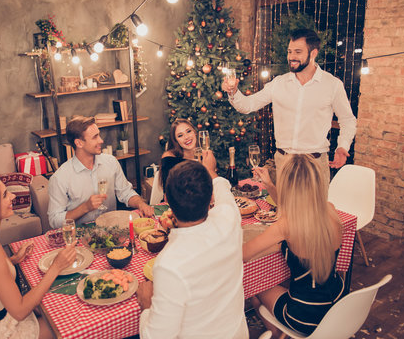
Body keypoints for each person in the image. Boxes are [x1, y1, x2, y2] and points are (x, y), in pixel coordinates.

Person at [222, 28, 357, 183]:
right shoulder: (278, 83)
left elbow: (347, 120)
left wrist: (343, 146)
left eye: (298, 52)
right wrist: (233, 92)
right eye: (289, 51)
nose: (291, 57)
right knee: (283, 208)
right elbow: (247, 105)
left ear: (313, 53)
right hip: (283, 163)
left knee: (314, 208)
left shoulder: (332, 85)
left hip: (315, 164)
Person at [137, 154, 249, 338]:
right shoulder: (229, 219)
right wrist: (211, 171)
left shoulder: (168, 264)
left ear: (167, 200)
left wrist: (146, 306)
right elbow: (224, 192)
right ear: (209, 196)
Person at [0, 173, 76, 338]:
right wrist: (56, 266)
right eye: (4, 195)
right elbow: (20, 311)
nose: (12, 196)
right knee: (65, 324)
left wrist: (12, 260)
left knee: (47, 307)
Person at [243, 155, 344, 337]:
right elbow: (298, 209)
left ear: (287, 186)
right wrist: (269, 185)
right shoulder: (330, 208)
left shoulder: (286, 225)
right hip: (337, 305)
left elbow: (244, 254)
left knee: (255, 288)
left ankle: (276, 333)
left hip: (305, 316)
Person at [48, 116, 154, 228]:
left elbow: (126, 193)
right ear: (79, 143)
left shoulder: (111, 162)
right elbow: (54, 220)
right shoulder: (60, 178)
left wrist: (141, 204)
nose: (101, 140)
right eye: (95, 137)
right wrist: (85, 207)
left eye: (99, 134)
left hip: (113, 231)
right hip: (80, 237)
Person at [159, 118, 198, 189]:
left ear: (194, 132)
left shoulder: (205, 155)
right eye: (180, 135)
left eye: (188, 131)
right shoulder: (169, 159)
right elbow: (169, 192)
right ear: (176, 141)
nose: (186, 137)